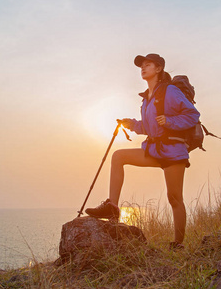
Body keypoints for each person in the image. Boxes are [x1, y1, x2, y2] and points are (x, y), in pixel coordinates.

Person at [85, 53, 200, 248]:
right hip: (155, 150)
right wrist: (131, 124)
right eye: (141, 66)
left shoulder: (170, 91)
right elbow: (148, 128)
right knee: (118, 156)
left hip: (173, 152)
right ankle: (112, 207)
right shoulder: (146, 98)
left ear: (158, 69)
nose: (143, 68)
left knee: (174, 198)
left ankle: (178, 243)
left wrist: (171, 121)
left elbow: (193, 115)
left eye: (148, 65)